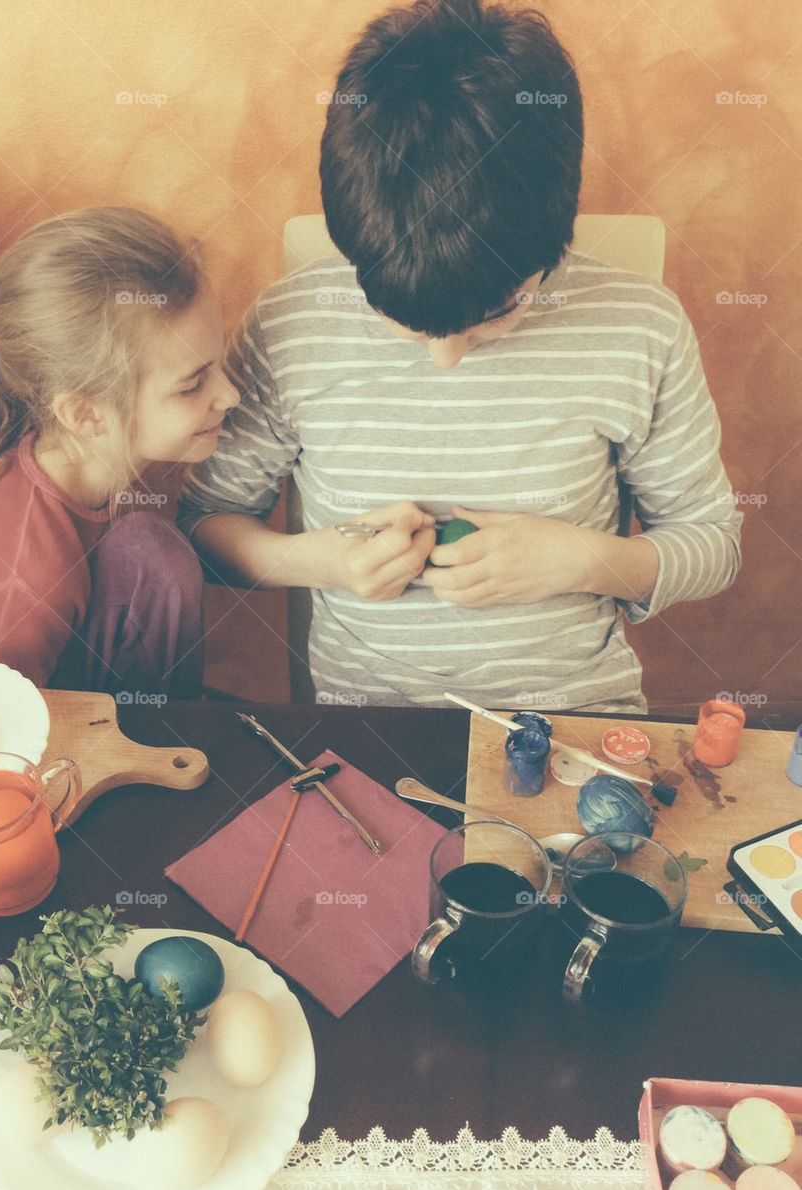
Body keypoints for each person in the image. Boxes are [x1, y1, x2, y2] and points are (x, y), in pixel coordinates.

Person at [178, 0, 742, 712]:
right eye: (401, 321)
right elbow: (201, 525)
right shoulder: (291, 326)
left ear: (549, 244)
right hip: (370, 731)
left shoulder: (641, 328)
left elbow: (714, 543)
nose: (446, 358)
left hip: (573, 720)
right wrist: (324, 561)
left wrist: (584, 560)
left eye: (496, 314)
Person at [0, 207, 240, 697]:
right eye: (193, 385)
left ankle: (160, 723)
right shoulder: (25, 584)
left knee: (153, 552)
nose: (230, 395)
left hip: (40, 663)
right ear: (86, 415)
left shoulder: (67, 450)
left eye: (218, 362)